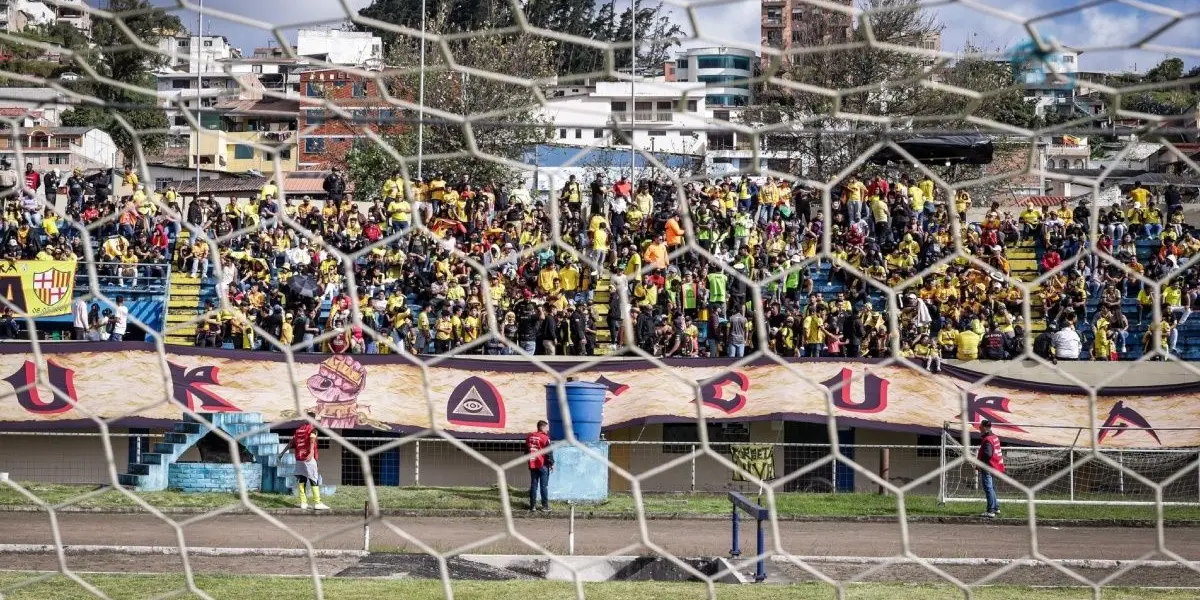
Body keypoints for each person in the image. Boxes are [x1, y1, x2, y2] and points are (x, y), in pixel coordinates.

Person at [281, 411, 330, 510]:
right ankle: (317, 502)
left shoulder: (298, 430)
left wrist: (282, 453)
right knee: (313, 479)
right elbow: (312, 440)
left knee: (302, 479)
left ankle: (303, 503)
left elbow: (291, 442)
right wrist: (311, 452)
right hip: (308, 458)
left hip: (299, 458)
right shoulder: (313, 429)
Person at [976, 419, 1005, 518]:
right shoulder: (994, 437)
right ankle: (996, 508)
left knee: (988, 488)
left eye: (980, 426)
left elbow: (988, 454)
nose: (979, 427)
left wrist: (981, 464)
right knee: (992, 488)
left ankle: (990, 511)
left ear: (984, 427)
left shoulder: (987, 439)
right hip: (994, 466)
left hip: (988, 467)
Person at [525, 419, 554, 512]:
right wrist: (552, 463)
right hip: (542, 464)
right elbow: (549, 452)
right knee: (543, 486)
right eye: (546, 428)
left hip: (532, 464)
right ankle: (545, 506)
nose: (547, 430)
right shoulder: (545, 438)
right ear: (542, 427)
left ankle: (532, 506)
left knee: (534, 485)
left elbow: (526, 451)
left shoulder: (529, 437)